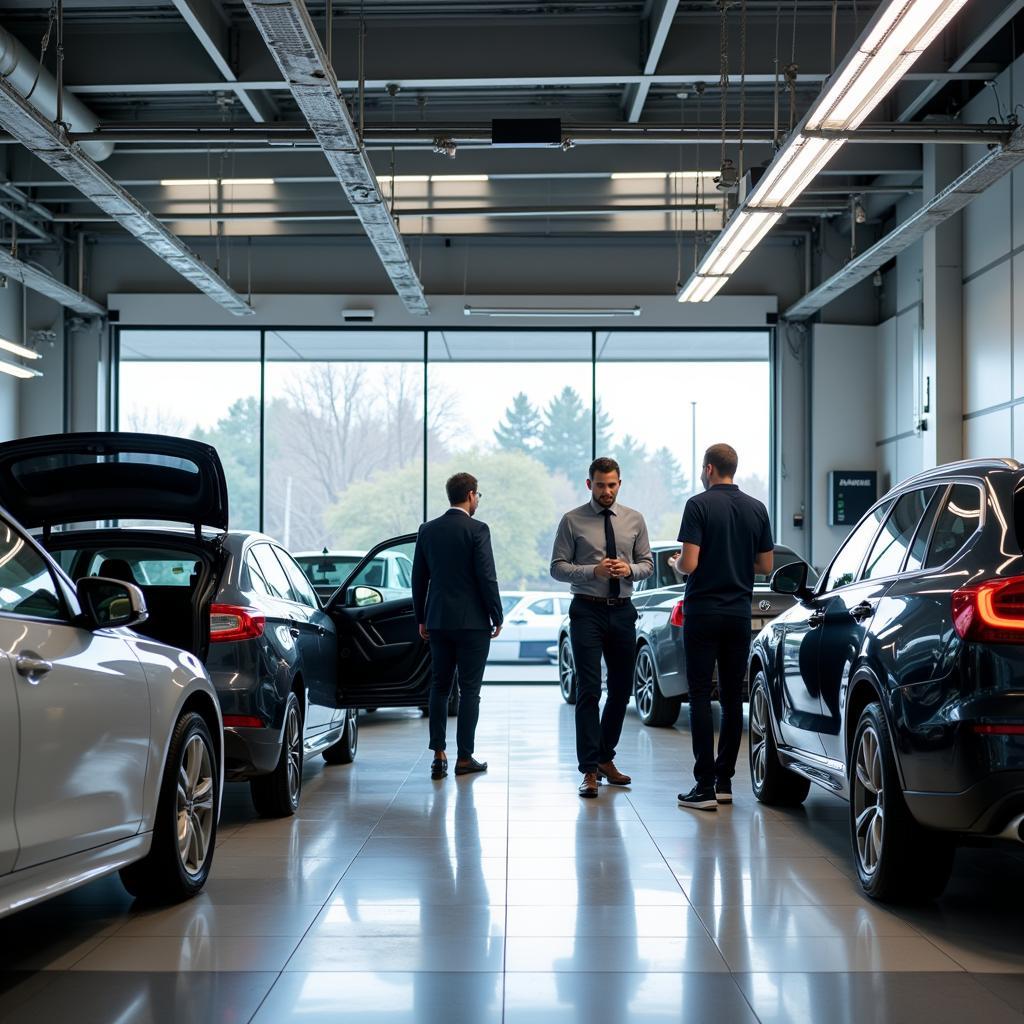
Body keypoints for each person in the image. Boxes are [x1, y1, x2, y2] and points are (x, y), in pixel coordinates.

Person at [673, 443, 773, 811]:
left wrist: (676, 564)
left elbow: (690, 562)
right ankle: (725, 782)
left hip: (702, 612)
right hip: (737, 614)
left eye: (703, 468)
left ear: (710, 468)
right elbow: (765, 565)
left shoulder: (698, 505)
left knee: (700, 694)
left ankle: (703, 787)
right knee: (733, 698)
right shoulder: (757, 508)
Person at [551, 457, 654, 798]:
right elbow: (557, 568)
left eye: (611, 485)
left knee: (623, 690)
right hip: (586, 611)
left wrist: (629, 570)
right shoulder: (572, 520)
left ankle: (605, 758)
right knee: (589, 690)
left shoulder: (634, 520)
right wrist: (591, 571)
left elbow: (648, 565)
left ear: (619, 484)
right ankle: (589, 771)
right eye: (600, 485)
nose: (606, 491)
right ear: (589, 484)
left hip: (623, 611)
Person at [412, 472, 503, 781]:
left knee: (439, 687)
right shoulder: (478, 530)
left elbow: (418, 579)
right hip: (473, 623)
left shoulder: (428, 530)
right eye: (478, 496)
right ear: (471, 495)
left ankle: (439, 755)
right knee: (470, 690)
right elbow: (486, 576)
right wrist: (497, 614)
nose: (477, 500)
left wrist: (421, 618)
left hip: (438, 620)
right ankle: (465, 758)